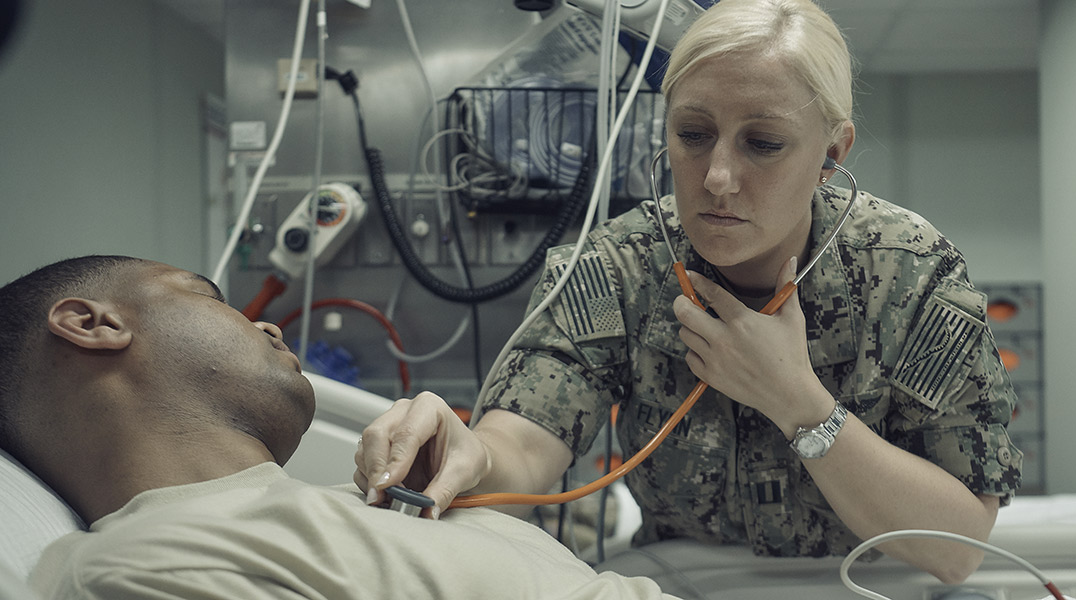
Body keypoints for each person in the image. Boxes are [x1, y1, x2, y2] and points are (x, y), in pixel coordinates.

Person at [356, 0, 1023, 585]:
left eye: (763, 143)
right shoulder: (620, 265)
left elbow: (956, 547)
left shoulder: (913, 276)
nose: (719, 178)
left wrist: (797, 402)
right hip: (681, 584)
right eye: (693, 136)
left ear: (831, 153)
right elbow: (526, 447)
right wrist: (463, 453)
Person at [0, 255, 680, 600]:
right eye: (208, 297)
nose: (265, 319)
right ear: (92, 324)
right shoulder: (145, 566)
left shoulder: (328, 506)